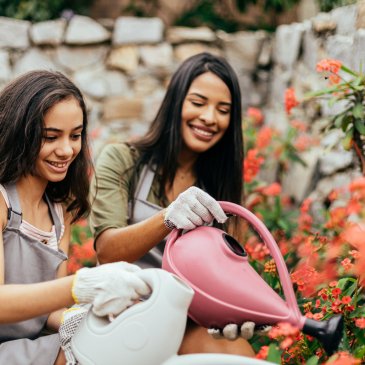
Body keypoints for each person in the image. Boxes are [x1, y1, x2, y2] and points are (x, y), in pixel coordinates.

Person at [89, 52, 258, 356]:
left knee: (239, 354)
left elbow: (224, 277)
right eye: (198, 103)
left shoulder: (220, 185)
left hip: (186, 320)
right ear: (175, 103)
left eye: (223, 110)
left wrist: (239, 313)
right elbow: (107, 251)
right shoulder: (124, 160)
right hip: (123, 314)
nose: (209, 117)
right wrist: (169, 217)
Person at [0, 70, 151, 365]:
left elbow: (49, 312)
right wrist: (81, 284)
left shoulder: (60, 211)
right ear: (20, 134)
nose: (67, 150)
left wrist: (90, 316)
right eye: (50, 137)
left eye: (76, 135)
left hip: (29, 346)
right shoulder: (2, 202)